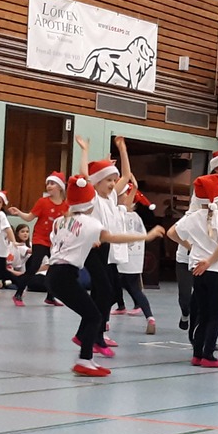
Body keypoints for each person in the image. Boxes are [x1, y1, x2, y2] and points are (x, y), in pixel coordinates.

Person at [48, 175, 164, 377]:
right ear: (89, 203)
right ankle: (84, 361)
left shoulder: (60, 220)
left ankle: (87, 359)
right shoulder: (91, 223)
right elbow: (113, 237)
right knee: (94, 316)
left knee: (91, 314)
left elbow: (68, 240)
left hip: (53, 274)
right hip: (65, 276)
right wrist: (146, 236)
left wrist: (89, 241)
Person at [168, 174, 218, 368]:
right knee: (216, 314)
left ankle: (197, 354)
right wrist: (210, 260)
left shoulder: (192, 217)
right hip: (216, 270)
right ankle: (208, 355)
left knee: (203, 313)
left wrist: (191, 247)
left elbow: (172, 233)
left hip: (197, 270)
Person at [76, 135, 133, 350]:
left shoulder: (111, 197)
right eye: (108, 180)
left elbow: (126, 175)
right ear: (96, 181)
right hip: (92, 247)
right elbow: (84, 175)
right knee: (105, 291)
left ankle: (86, 334)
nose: (112, 184)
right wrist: (85, 150)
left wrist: (123, 149)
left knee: (103, 292)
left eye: (113, 180)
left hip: (106, 248)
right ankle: (95, 336)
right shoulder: (92, 196)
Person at [7, 171, 68, 306]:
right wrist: (19, 212)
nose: (49, 186)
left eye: (52, 183)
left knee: (55, 268)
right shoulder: (42, 202)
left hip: (54, 242)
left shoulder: (66, 206)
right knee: (34, 266)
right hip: (39, 239)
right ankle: (18, 294)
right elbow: (29, 217)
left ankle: (50, 297)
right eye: (48, 183)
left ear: (60, 187)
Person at [116, 182, 157, 334]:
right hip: (136, 259)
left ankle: (104, 322)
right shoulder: (137, 217)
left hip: (121, 258)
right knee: (133, 288)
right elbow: (143, 235)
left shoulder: (118, 215)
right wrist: (134, 187)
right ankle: (150, 317)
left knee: (110, 289)